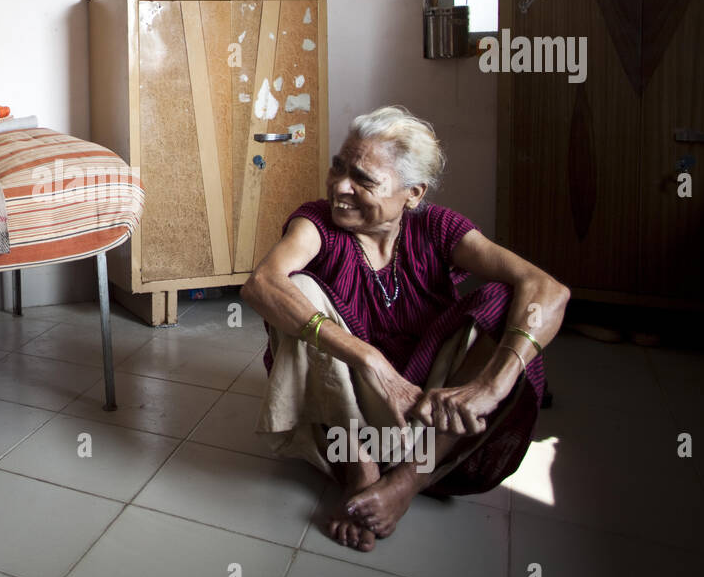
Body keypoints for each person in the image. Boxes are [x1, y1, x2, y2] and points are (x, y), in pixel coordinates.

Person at [242, 105, 569, 552]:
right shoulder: (316, 223)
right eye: (339, 166)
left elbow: (548, 289)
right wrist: (371, 359)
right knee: (297, 291)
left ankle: (407, 482)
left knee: (506, 299)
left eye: (363, 179)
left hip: (428, 414)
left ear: (412, 194)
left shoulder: (437, 228)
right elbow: (261, 285)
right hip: (345, 408)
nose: (340, 186)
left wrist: (490, 387)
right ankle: (361, 474)